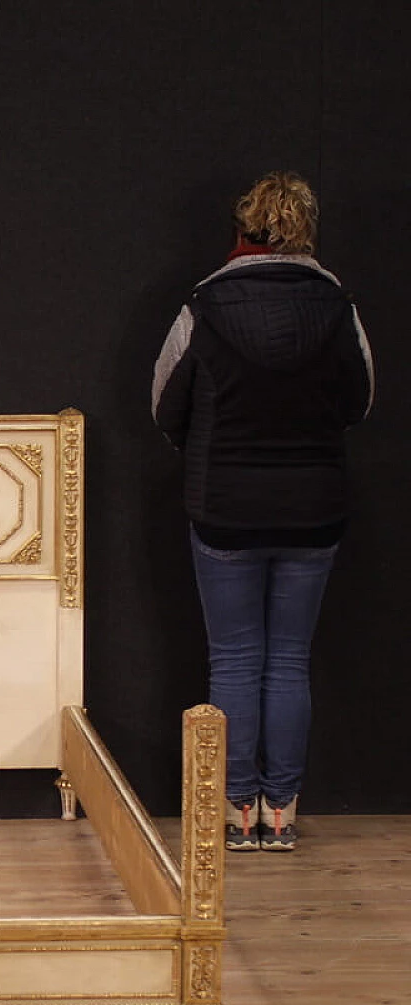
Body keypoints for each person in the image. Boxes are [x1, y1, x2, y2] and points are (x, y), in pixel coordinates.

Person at [152, 171, 374, 852]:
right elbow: (360, 402)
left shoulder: (203, 306)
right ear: (307, 231)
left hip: (223, 508)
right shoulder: (339, 307)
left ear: (242, 230)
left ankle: (235, 816)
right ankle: (282, 813)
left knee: (235, 659)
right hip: (314, 511)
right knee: (289, 662)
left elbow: (166, 407)